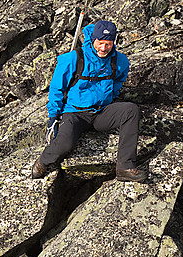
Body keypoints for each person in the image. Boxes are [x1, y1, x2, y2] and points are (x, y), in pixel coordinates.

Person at [31, 20, 146, 182]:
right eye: (100, 43)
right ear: (93, 39)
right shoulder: (73, 58)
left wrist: (109, 98)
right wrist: (53, 117)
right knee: (64, 144)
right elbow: (57, 89)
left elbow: (118, 82)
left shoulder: (119, 61)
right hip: (75, 114)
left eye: (108, 44)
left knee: (130, 110)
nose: (104, 48)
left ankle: (125, 167)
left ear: (114, 42)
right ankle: (42, 162)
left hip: (101, 112)